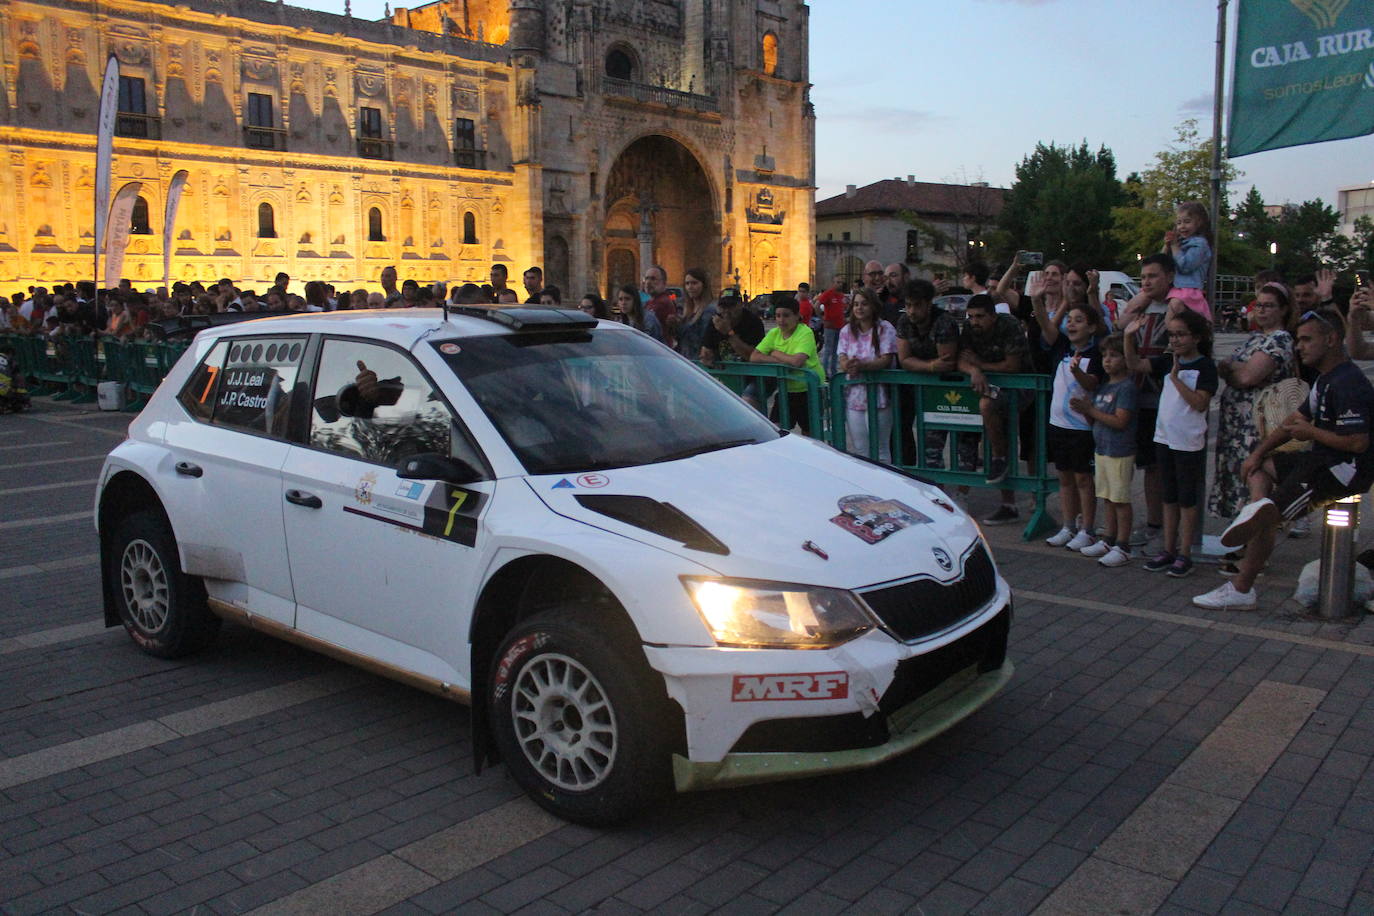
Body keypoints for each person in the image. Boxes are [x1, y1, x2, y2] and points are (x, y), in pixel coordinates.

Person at [1195, 308, 1374, 610]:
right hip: (1322, 460)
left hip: (1343, 471)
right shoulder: (1325, 379)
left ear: (1331, 340)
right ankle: (1257, 506)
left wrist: (1311, 432)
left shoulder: (1349, 383)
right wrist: (1258, 453)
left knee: (1269, 516)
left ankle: (1242, 587)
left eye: (1306, 340)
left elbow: (1358, 443)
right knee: (1261, 470)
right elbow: (1294, 420)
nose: (1299, 347)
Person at [1125, 306, 1217, 578]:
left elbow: (1200, 403)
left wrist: (1176, 378)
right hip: (1164, 438)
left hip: (1188, 442)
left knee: (1187, 499)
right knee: (1169, 496)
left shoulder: (1204, 366)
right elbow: (1134, 364)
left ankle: (1185, 552)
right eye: (1172, 335)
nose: (1175, 340)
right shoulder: (1167, 361)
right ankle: (1168, 548)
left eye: (1181, 335)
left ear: (1196, 337)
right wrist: (1129, 338)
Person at [1207, 282, 1296, 529]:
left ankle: (1253, 547)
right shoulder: (1256, 338)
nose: (1262, 310)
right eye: (1259, 305)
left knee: (1255, 486)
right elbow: (1227, 366)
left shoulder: (1280, 339)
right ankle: (1242, 541)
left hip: (1257, 430)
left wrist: (1236, 371)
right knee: (1238, 484)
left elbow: (1246, 377)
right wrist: (1237, 370)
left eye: (1270, 306)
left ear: (1284, 310)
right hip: (1237, 430)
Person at [1034, 287, 1107, 552]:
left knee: (1083, 480)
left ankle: (1087, 529)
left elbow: (1092, 383)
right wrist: (1038, 299)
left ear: (1091, 327)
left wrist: (1077, 373)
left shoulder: (1096, 354)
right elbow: (1044, 322)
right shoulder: (1062, 347)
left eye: (1079, 320)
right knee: (1064, 477)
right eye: (1070, 319)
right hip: (1058, 424)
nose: (1072, 324)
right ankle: (1068, 526)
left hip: (1081, 428)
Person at [1117, 253, 1179, 549]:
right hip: (1138, 395)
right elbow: (1120, 325)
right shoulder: (1140, 306)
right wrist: (1137, 302)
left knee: (1164, 465)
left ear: (1169, 276)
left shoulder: (1177, 306)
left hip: (1166, 396)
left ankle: (1167, 526)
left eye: (1153, 276)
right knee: (1148, 464)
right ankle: (1154, 522)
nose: (1147, 282)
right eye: (1143, 277)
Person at [957, 294, 1030, 524]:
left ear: (993, 315)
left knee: (989, 407)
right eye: (970, 317)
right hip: (986, 383)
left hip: (1021, 386)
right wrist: (974, 371)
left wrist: (979, 365)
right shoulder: (969, 329)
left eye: (980, 316)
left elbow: (1012, 365)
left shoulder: (1009, 326)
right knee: (972, 427)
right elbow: (961, 359)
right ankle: (965, 496)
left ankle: (1000, 459)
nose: (974, 321)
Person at [1069, 333, 1137, 567]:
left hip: (1119, 451)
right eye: (1105, 355)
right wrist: (1084, 410)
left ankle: (1123, 544)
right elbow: (1096, 420)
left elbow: (1120, 421)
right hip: (1102, 449)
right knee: (1107, 497)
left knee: (1120, 499)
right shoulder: (1105, 386)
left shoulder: (1126, 388)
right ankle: (1108, 538)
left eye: (1114, 355)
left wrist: (1091, 410)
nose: (1108, 360)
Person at [896, 279, 959, 466]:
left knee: (932, 449)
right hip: (910, 390)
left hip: (940, 392)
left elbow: (946, 363)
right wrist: (931, 366)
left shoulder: (945, 322)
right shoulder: (904, 321)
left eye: (917, 305)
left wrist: (920, 365)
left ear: (929, 303)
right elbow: (904, 359)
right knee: (902, 436)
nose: (912, 311)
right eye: (908, 305)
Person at [748, 293, 823, 435]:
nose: (781, 320)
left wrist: (775, 353)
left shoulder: (805, 332)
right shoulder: (774, 333)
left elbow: (797, 361)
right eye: (778, 316)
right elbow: (754, 356)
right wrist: (781, 360)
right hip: (786, 390)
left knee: (811, 434)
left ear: (797, 316)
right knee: (776, 431)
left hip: (808, 390)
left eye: (786, 315)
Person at [837, 287, 898, 461]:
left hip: (879, 396)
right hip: (854, 397)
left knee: (881, 449)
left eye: (864, 304)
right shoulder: (846, 330)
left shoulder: (884, 328)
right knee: (860, 449)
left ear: (873, 306)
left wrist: (863, 366)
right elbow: (841, 355)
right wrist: (847, 365)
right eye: (856, 304)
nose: (859, 308)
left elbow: (886, 359)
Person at [1163, 201, 1213, 322]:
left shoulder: (1199, 244)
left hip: (1189, 289)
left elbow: (1185, 266)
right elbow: (1161, 263)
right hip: (1176, 287)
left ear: (1199, 222)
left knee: (1172, 315)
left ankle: (1170, 337)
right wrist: (1166, 246)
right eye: (1179, 223)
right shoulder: (1180, 242)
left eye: (1187, 222)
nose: (1182, 226)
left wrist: (1174, 247)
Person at [815, 274, 848, 377]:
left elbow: (844, 308)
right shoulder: (828, 294)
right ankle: (824, 372)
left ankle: (833, 372)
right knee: (828, 349)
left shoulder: (842, 295)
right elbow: (816, 305)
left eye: (841, 282)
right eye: (837, 282)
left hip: (840, 326)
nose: (839, 284)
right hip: (829, 326)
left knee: (836, 350)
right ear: (833, 283)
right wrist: (821, 318)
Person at [642, 265, 678, 349]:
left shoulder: (663, 303)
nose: (648, 282)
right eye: (646, 278)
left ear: (664, 283)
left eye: (653, 279)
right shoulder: (650, 302)